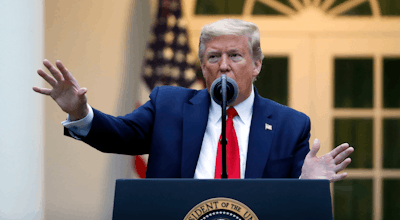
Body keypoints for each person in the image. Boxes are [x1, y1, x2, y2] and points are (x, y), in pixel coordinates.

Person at [33, 19, 353, 181]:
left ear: (256, 65)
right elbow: (118, 134)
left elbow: (293, 208)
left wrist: (308, 184)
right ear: (202, 66)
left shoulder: (289, 124)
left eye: (235, 56)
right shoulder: (168, 104)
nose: (223, 65)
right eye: (213, 56)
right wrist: (79, 110)